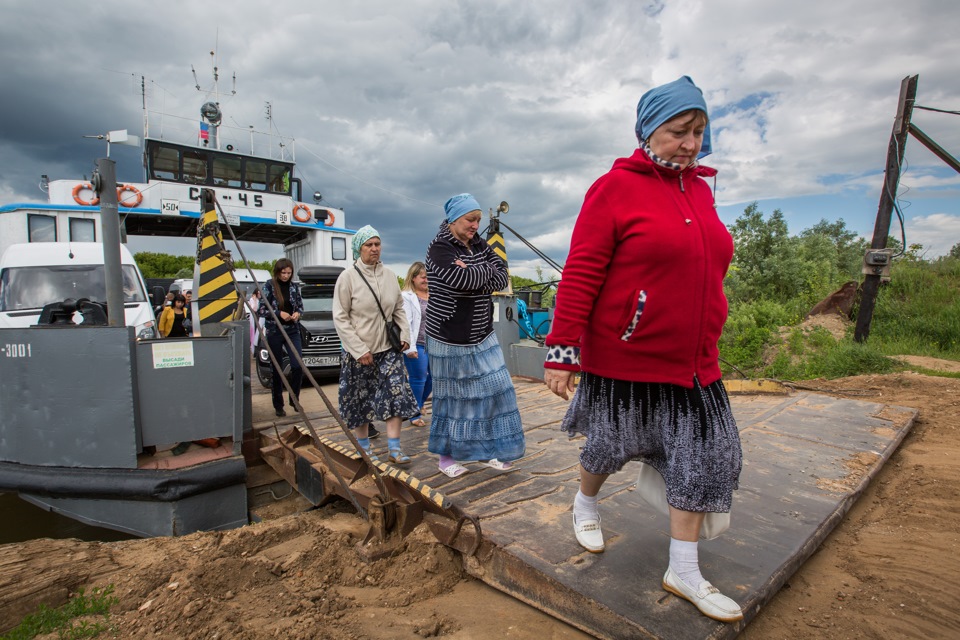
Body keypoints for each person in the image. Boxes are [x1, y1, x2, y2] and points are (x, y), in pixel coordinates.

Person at [543, 76, 743, 623]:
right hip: (625, 357)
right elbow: (582, 271)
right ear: (649, 131)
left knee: (704, 462)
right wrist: (562, 349)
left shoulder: (701, 188)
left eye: (699, 131)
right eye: (679, 131)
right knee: (608, 449)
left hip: (696, 363)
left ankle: (684, 568)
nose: (690, 142)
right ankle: (585, 502)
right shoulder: (613, 188)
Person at [424, 194, 525, 478]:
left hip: (482, 333)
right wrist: (481, 273)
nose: (475, 225)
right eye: (471, 219)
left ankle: (490, 450)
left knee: (498, 390)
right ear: (454, 219)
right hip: (447, 336)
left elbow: (501, 277)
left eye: (478, 219)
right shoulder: (439, 248)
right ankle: (446, 457)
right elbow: (459, 281)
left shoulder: (479, 244)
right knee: (453, 398)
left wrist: (474, 270)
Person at [333, 225, 419, 464]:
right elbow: (340, 316)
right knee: (360, 400)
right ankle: (365, 448)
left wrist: (404, 336)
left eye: (377, 244)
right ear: (359, 248)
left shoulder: (390, 275)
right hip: (359, 352)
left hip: (389, 350)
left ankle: (394, 449)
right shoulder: (347, 277)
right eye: (368, 245)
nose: (374, 249)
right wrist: (358, 349)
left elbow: (399, 309)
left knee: (396, 394)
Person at [259, 259, 304, 418]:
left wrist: (297, 313)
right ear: (277, 272)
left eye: (289, 273)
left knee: (298, 365)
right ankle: (278, 404)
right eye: (283, 273)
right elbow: (262, 309)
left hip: (292, 330)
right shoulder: (269, 286)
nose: (286, 276)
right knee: (277, 368)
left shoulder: (294, 287)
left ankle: (294, 399)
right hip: (275, 331)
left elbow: (300, 306)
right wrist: (279, 313)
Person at [400, 261, 432, 427]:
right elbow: (405, 323)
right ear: (413, 278)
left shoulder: (434, 295)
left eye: (428, 277)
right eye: (423, 277)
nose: (426, 280)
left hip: (433, 344)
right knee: (418, 378)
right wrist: (410, 348)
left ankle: (417, 404)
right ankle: (414, 413)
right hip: (417, 343)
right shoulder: (407, 297)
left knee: (433, 379)